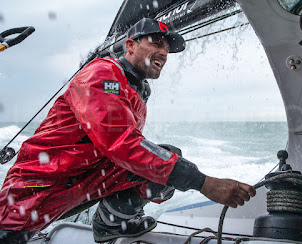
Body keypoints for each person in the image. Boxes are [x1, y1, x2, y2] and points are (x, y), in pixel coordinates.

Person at [0, 18, 256, 244]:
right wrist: (203, 183)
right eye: (156, 43)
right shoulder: (102, 74)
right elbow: (122, 143)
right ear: (130, 46)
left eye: (167, 48)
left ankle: (112, 223)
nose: (164, 52)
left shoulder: (135, 88)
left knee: (165, 159)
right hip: (39, 187)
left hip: (83, 181)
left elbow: (133, 152)